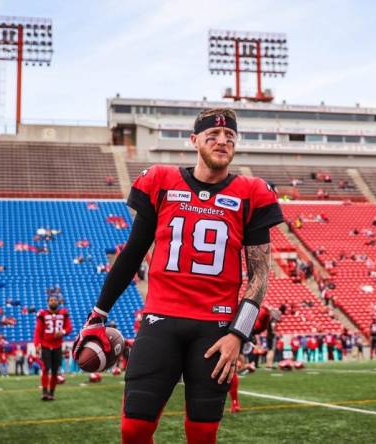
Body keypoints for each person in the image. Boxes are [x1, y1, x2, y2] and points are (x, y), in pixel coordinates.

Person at [72, 108, 283, 444]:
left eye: (229, 136)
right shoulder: (161, 182)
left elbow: (259, 274)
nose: (222, 141)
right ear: (194, 140)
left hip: (215, 331)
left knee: (202, 435)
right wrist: (98, 314)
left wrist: (237, 335)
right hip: (161, 321)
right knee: (134, 430)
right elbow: (132, 253)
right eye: (212, 136)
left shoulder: (252, 193)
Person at [34, 296, 71, 401]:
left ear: (58, 302)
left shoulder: (63, 313)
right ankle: (44, 392)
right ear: (48, 302)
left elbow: (69, 327)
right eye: (51, 300)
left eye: (55, 300)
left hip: (58, 346)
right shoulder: (42, 314)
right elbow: (38, 330)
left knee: (55, 371)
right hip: (45, 345)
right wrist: (37, 344)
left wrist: (63, 332)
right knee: (45, 369)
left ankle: (51, 393)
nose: (53, 301)